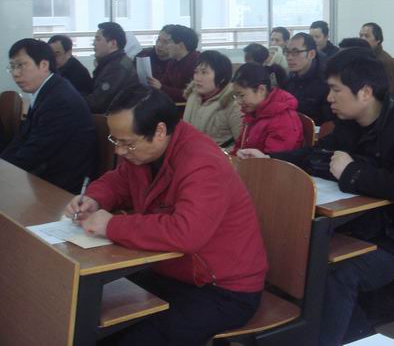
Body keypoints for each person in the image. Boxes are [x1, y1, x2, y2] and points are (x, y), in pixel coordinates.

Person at [238, 48, 394, 346]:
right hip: (376, 224)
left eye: (335, 90)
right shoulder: (351, 120)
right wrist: (270, 158)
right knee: (297, 252)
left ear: (365, 92)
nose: (329, 98)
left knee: (337, 274)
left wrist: (351, 172)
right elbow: (318, 154)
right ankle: (358, 335)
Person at [64, 85, 267, 346]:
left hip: (221, 289)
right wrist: (94, 198)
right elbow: (119, 181)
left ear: (159, 132)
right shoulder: (144, 153)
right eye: (115, 141)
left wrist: (112, 225)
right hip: (169, 270)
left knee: (131, 338)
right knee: (89, 313)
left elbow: (186, 232)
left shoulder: (202, 162)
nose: (119, 151)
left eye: (127, 143)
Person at [1, 38, 96, 193]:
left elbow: (34, 153)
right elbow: (21, 140)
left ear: (44, 65)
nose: (15, 74)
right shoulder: (48, 91)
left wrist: (3, 169)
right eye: (12, 67)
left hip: (61, 188)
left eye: (21, 65)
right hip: (43, 176)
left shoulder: (59, 100)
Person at [230, 62, 303, 155]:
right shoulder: (253, 112)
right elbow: (240, 146)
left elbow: (273, 161)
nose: (238, 101)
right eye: (236, 96)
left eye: (241, 95)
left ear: (261, 90)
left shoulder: (283, 119)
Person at [183, 50, 242, 149]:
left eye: (204, 73)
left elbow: (241, 145)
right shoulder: (193, 96)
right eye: (196, 72)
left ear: (222, 78)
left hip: (218, 155)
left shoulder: (233, 104)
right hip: (190, 151)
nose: (197, 78)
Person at [86, 21, 138, 114]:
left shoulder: (117, 68)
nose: (94, 43)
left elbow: (97, 103)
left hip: (114, 119)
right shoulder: (113, 62)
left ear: (113, 43)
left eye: (98, 39)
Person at [283, 32, 332, 125]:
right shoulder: (289, 79)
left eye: (296, 52)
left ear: (311, 54)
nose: (289, 57)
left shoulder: (326, 82)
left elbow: (329, 123)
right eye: (287, 52)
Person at [148, 24, 199, 102]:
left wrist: (161, 87)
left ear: (180, 46)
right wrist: (154, 84)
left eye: (168, 42)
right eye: (158, 40)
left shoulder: (197, 64)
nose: (167, 46)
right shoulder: (173, 62)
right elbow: (164, 83)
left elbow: (190, 95)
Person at [359, 22, 394, 94]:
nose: (362, 39)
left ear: (378, 40)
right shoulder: (362, 57)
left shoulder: (384, 61)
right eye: (361, 36)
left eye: (367, 36)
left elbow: (386, 92)